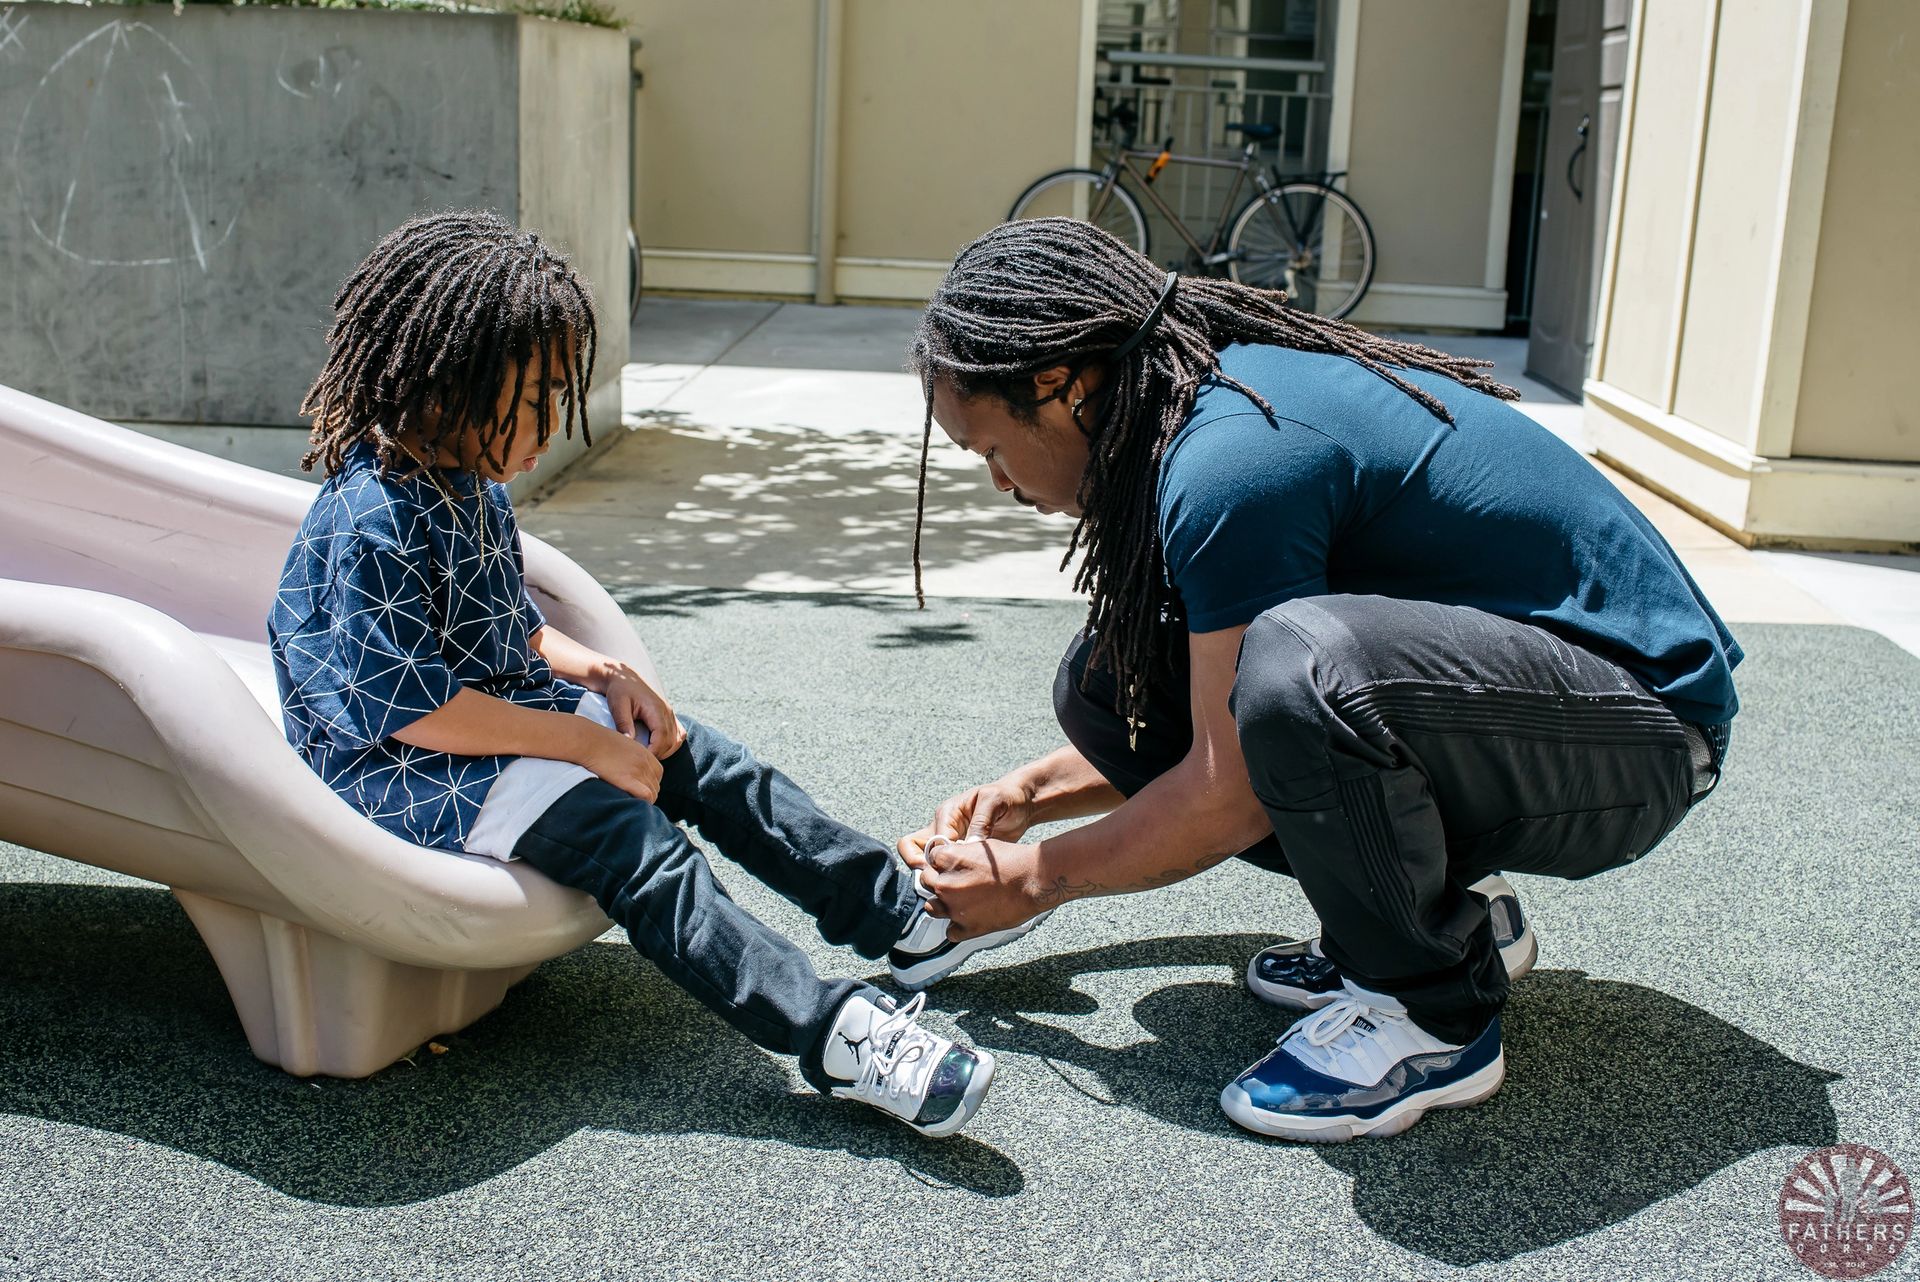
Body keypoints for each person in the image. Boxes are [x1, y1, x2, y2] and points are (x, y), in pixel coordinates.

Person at [897, 217, 1739, 1143]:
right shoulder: (1204, 408)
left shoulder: (1230, 459)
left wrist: (1034, 881)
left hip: (1648, 733)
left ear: (1060, 386)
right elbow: (1218, 728)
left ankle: (1431, 1013)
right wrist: (1027, 797)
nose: (999, 482)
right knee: (1108, 687)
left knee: (1302, 667)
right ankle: (1458, 918)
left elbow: (1227, 789)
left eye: (988, 449)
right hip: (1529, 711)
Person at [267, 210, 1031, 1137]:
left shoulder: (463, 484)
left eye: (560, 393)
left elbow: (504, 633)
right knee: (643, 853)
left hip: (492, 727)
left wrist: (601, 673)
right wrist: (583, 744)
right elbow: (410, 708)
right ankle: (835, 1035)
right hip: (411, 776)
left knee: (705, 764)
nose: (554, 422)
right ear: (448, 383)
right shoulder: (375, 517)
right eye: (535, 399)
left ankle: (899, 920)